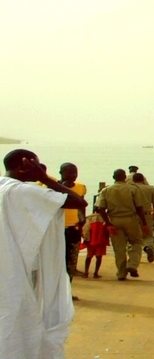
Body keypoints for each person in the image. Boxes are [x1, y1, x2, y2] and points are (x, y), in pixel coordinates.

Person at [0, 149, 88, 358]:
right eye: (36, 165)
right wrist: (44, 178)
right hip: (16, 269)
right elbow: (78, 202)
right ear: (24, 166)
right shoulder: (23, 191)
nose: (39, 170)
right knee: (18, 318)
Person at [96, 169, 149, 280]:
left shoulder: (106, 190)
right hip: (130, 219)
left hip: (114, 220)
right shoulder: (133, 189)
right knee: (136, 242)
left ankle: (121, 273)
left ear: (113, 177)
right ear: (125, 177)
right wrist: (144, 223)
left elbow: (100, 209)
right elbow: (140, 208)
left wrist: (108, 223)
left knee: (119, 248)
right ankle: (132, 265)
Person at [59, 162, 87, 301]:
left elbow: (82, 204)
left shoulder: (81, 187)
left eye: (75, 173)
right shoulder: (53, 188)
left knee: (71, 264)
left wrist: (82, 220)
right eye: (69, 173)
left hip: (73, 229)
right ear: (61, 173)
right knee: (57, 263)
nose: (73, 176)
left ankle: (66, 293)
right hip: (57, 230)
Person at [131, 173, 154, 263]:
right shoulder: (150, 189)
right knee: (148, 235)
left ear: (133, 180)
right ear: (143, 180)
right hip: (147, 214)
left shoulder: (130, 188)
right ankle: (148, 247)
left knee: (134, 237)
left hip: (133, 215)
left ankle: (134, 258)